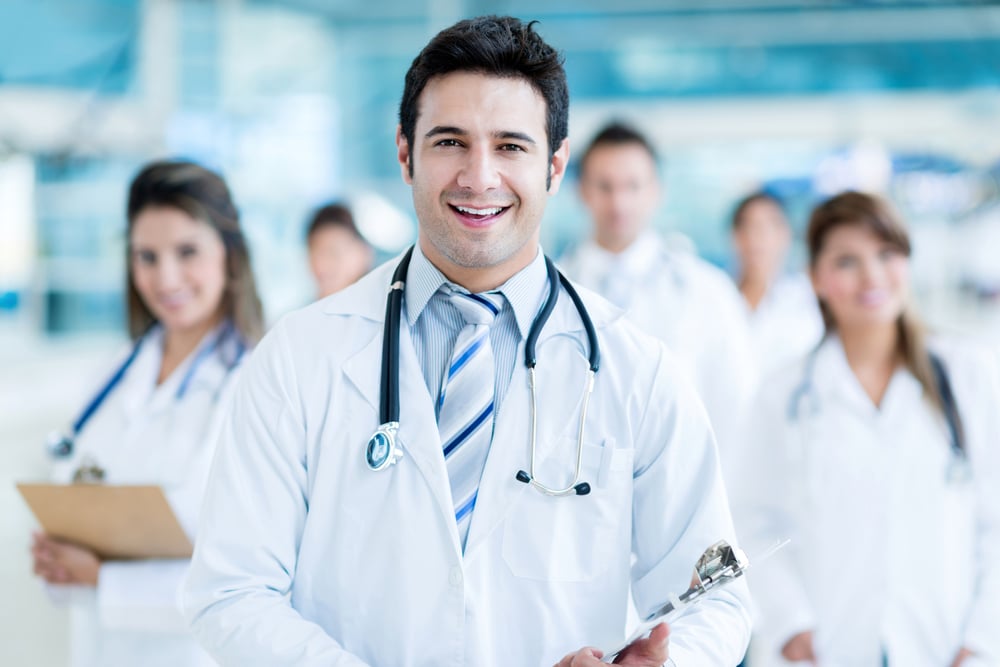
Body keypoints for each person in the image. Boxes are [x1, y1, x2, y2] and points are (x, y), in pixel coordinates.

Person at [183, 16, 750, 667]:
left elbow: (715, 594)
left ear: (555, 165)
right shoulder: (300, 356)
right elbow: (230, 588)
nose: (479, 177)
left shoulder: (636, 368)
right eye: (450, 141)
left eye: (511, 146)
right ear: (405, 153)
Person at [733, 191, 1000, 666]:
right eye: (847, 261)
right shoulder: (784, 395)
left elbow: (994, 526)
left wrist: (982, 640)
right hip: (823, 647)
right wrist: (792, 623)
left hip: (947, 646)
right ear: (816, 277)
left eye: (887, 254)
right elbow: (753, 522)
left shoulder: (967, 377)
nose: (873, 276)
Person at [31, 160, 264, 666]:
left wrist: (101, 577)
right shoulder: (115, 373)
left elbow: (254, 585)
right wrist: (59, 562)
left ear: (229, 253)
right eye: (147, 256)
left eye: (187, 252)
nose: (166, 277)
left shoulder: (260, 385)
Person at [559, 122, 755, 469]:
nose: (618, 202)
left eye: (633, 186)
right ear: (581, 191)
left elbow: (735, 407)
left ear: (656, 191)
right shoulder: (554, 290)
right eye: (604, 186)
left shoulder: (707, 290)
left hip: (683, 481)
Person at [730, 191, 823, 377]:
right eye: (748, 227)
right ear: (735, 237)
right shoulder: (717, 297)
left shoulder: (808, 296)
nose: (756, 238)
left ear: (785, 234)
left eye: (767, 228)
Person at [305, 201, 374, 299]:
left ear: (363, 253)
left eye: (333, 253)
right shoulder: (303, 312)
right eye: (313, 253)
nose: (321, 265)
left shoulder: (386, 309)